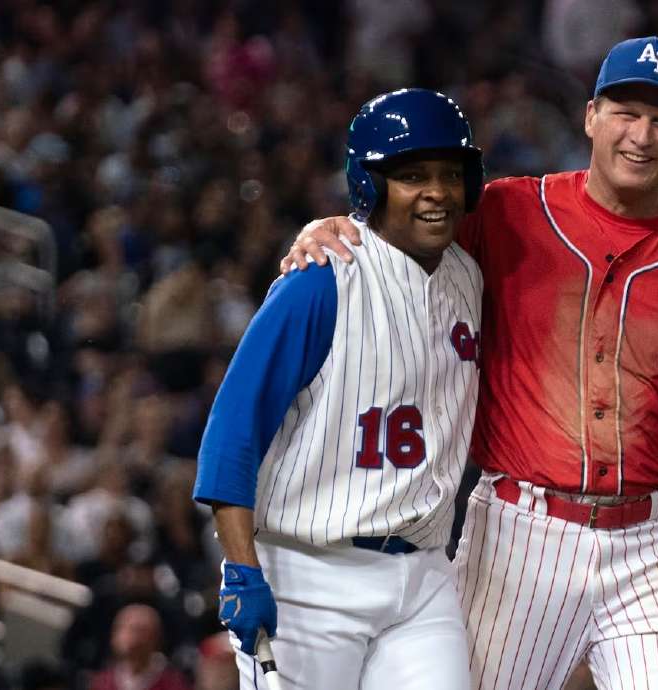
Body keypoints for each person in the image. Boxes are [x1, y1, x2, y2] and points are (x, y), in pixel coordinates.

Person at [283, 37, 658, 689]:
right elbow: (400, 232)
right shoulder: (508, 211)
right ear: (591, 116)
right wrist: (331, 226)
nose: (640, 135)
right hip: (518, 532)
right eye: (625, 112)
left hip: (653, 544)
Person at [193, 88, 484, 689]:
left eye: (449, 174)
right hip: (309, 574)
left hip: (425, 577)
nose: (436, 191)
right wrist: (242, 570)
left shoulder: (468, 275)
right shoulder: (320, 282)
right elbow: (232, 433)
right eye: (411, 176)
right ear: (370, 185)